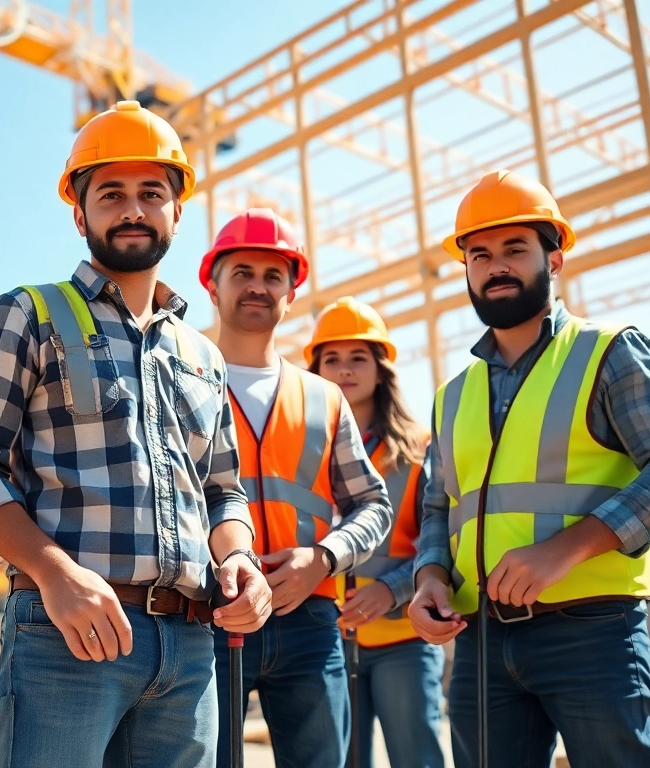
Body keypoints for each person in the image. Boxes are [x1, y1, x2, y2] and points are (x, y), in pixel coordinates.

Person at [0, 101, 273, 768]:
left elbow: (224, 490)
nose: (133, 209)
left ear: (177, 211)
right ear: (79, 212)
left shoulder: (202, 354)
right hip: (65, 637)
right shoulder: (27, 314)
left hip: (189, 645)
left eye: (152, 193)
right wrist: (52, 571)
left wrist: (237, 559)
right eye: (111, 193)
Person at [407, 170, 650, 768]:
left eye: (515, 250)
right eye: (479, 254)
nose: (496, 266)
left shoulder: (609, 351)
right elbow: (438, 509)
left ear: (555, 259)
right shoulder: (451, 395)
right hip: (480, 641)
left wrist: (565, 549)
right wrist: (429, 578)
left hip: (592, 630)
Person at [199, 209, 393, 768]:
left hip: (309, 622)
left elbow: (372, 505)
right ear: (213, 283)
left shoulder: (324, 398)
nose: (258, 286)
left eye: (273, 275)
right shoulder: (180, 381)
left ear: (291, 290)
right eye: (243, 273)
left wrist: (324, 558)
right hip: (207, 615)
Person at [306, 297, 444, 768]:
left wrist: (392, 590)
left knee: (416, 758)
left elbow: (439, 539)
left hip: (403, 636)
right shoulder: (300, 450)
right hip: (326, 635)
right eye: (332, 359)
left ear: (382, 369)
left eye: (358, 358)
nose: (344, 370)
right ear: (315, 369)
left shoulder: (422, 449)